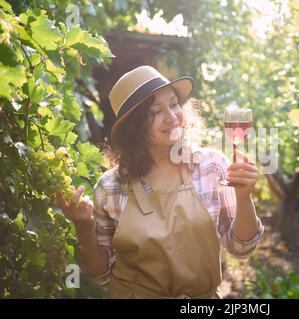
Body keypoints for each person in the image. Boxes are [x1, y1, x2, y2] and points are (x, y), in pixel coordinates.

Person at [56, 65, 264, 299]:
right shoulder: (110, 187)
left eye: (174, 104)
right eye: (155, 112)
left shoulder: (211, 167)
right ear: (134, 129)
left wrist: (244, 196)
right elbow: (101, 273)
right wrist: (83, 230)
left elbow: (241, 248)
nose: (172, 117)